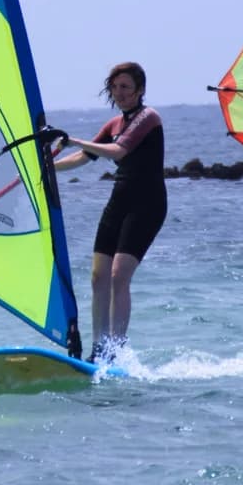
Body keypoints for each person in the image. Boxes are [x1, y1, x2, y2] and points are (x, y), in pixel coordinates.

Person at [53, 62, 167, 365]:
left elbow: (118, 152)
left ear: (140, 90)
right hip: (120, 198)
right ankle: (98, 349)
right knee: (98, 276)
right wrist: (48, 168)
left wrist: (75, 140)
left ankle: (116, 349)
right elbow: (84, 156)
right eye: (115, 87)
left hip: (148, 202)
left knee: (119, 276)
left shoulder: (148, 117)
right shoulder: (114, 123)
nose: (120, 93)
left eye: (126, 87)